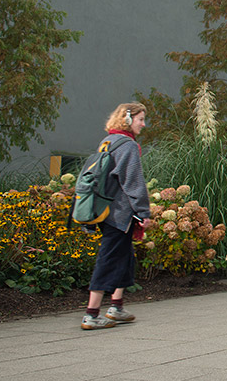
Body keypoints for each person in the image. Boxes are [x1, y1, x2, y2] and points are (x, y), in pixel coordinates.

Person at [81, 103, 153, 330]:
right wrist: (143, 212)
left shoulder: (108, 142)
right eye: (141, 119)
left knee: (124, 257)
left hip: (104, 210)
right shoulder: (128, 146)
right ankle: (91, 314)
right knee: (109, 258)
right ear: (128, 119)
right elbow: (133, 182)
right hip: (120, 214)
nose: (144, 124)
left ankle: (116, 307)